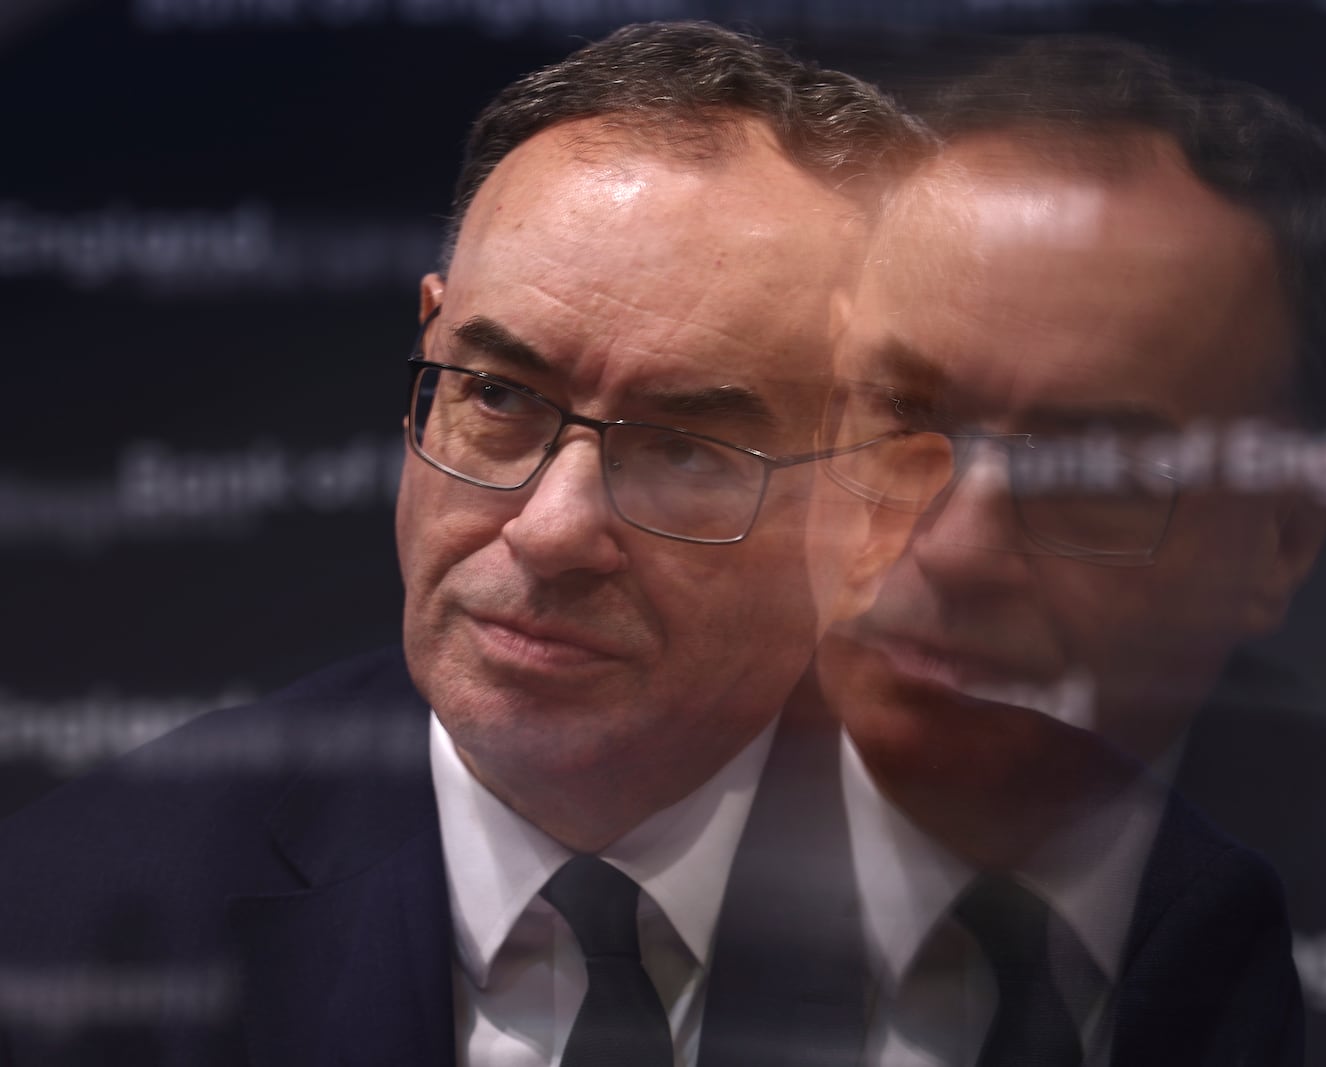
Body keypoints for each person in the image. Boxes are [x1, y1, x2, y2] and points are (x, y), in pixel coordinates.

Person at [0, 22, 942, 1066]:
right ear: (430, 346)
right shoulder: (63, 926)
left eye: (685, 447)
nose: (550, 531)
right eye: (496, 395)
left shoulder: (1086, 930)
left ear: (879, 512)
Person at [811, 36, 1326, 1066]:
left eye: (1091, 470)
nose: (955, 549)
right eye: (902, 415)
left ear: (1281, 538)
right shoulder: (603, 805)